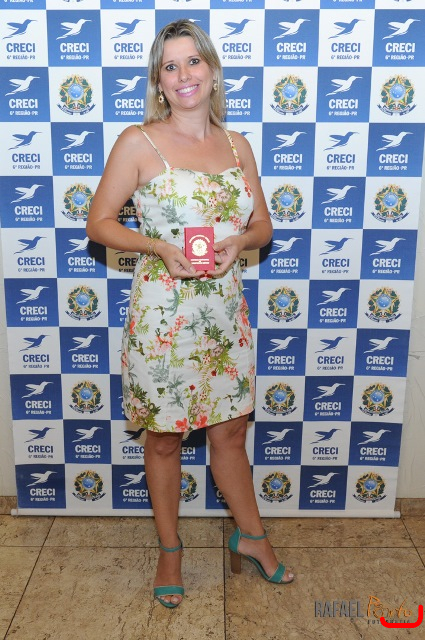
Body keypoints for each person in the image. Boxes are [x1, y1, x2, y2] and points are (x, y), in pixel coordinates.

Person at [86, 19, 294, 608]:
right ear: (159, 80)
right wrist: (157, 247)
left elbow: (263, 225)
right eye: (170, 65)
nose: (184, 75)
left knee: (230, 432)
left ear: (212, 70)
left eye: (193, 61)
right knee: (163, 441)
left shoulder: (238, 145)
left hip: (225, 313)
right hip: (163, 315)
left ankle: (251, 537)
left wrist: (240, 242)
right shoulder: (138, 142)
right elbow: (98, 223)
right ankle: (170, 550)